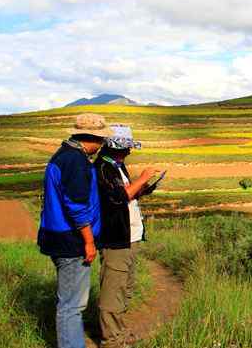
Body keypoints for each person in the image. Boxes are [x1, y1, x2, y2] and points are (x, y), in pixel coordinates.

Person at [37, 113, 112, 348]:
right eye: (101, 140)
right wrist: (89, 242)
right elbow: (77, 207)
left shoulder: (62, 156)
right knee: (72, 305)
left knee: (70, 303)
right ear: (91, 138)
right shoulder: (76, 161)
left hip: (59, 236)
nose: (101, 146)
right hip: (71, 241)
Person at [95, 124, 160, 348]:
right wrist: (142, 179)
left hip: (129, 236)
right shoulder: (103, 168)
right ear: (114, 147)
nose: (129, 151)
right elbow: (118, 197)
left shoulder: (116, 165)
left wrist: (142, 188)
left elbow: (126, 194)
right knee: (113, 290)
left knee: (124, 287)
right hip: (116, 239)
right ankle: (111, 340)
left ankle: (118, 333)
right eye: (125, 148)